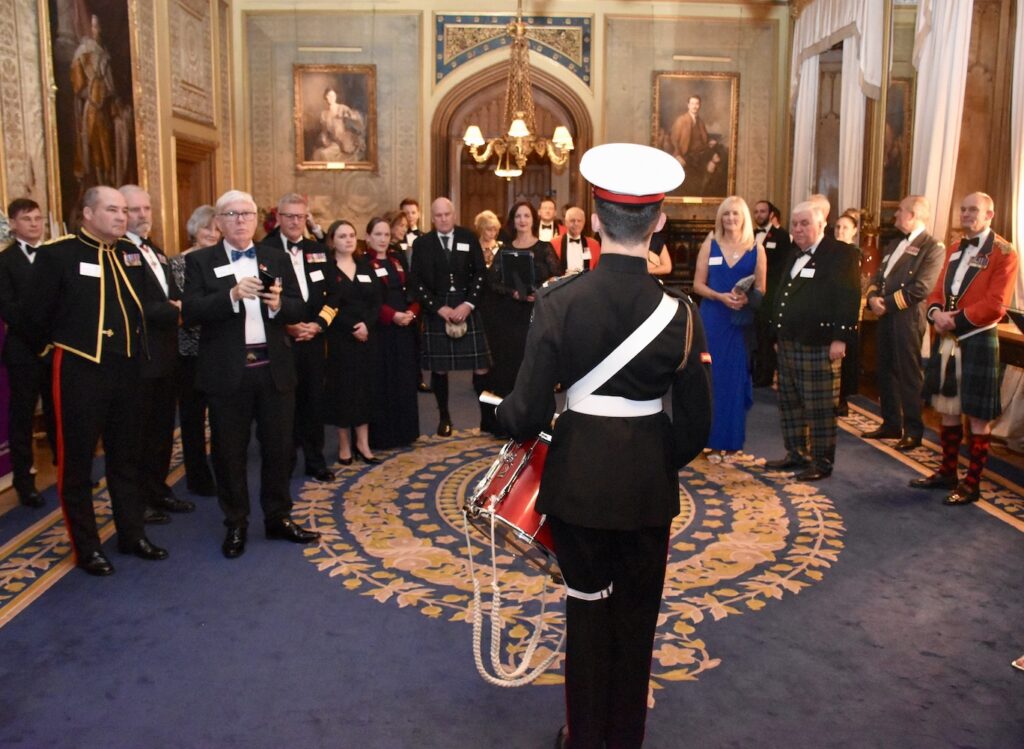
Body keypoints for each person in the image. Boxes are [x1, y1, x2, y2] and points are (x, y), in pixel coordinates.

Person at [496, 142, 711, 748]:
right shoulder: (681, 311)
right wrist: (651, 455)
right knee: (637, 621)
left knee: (588, 613)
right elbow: (696, 426)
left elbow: (526, 413)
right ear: (659, 222)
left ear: (593, 219)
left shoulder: (559, 301)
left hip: (579, 484)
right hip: (647, 487)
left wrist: (501, 416)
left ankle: (585, 737)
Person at [21, 186, 168, 575]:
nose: (123, 217)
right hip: (80, 370)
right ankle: (86, 547)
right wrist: (52, 350)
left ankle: (131, 533)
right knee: (77, 464)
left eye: (125, 211)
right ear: (87, 213)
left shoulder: (129, 253)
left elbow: (146, 308)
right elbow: (32, 315)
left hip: (128, 371)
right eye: (113, 210)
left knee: (126, 457)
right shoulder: (59, 254)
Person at [182, 189, 320, 559]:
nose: (241, 220)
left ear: (257, 220)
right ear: (219, 221)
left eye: (247, 214)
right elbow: (192, 312)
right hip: (228, 373)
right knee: (230, 453)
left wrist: (279, 306)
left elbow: (298, 306)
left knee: (278, 449)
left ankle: (277, 518)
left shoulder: (275, 257)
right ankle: (236, 523)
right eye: (232, 214)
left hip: (274, 370)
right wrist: (229, 296)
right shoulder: (201, 261)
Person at [911, 192, 1018, 505]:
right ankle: (947, 472)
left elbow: (996, 305)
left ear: (989, 215)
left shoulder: (1003, 252)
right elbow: (936, 290)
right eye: (964, 209)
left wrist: (954, 320)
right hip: (947, 337)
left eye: (974, 210)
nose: (967, 214)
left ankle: (972, 484)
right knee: (948, 409)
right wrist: (935, 314)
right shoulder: (956, 247)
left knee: (978, 416)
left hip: (978, 339)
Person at [766, 200, 860, 481]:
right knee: (790, 403)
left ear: (821, 225)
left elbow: (849, 297)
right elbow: (781, 295)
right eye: (795, 223)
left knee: (819, 407)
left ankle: (821, 461)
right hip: (789, 342)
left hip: (820, 343)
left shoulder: (840, 253)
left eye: (805, 223)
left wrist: (840, 338)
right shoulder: (794, 254)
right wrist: (776, 334)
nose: (798, 228)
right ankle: (796, 453)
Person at [121, 184, 194, 524]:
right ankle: (137, 500)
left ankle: (158, 489)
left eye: (146, 209)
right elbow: (134, 304)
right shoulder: (118, 252)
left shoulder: (155, 249)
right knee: (137, 434)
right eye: (135, 210)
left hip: (167, 355)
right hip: (139, 358)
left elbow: (172, 290)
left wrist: (180, 305)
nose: (142, 215)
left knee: (163, 430)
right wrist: (176, 310)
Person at [261, 192, 336, 483]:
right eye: (289, 216)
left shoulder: (318, 250)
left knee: (314, 402)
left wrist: (318, 325)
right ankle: (285, 460)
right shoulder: (263, 250)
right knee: (284, 406)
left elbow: (335, 296)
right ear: (278, 218)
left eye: (300, 216)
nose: (295, 222)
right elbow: (260, 300)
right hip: (283, 342)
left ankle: (315, 460)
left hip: (314, 340)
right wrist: (288, 327)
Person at [862, 196, 945, 450]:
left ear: (914, 215)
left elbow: (921, 288)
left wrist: (885, 302)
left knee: (908, 373)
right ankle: (890, 423)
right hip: (887, 315)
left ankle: (913, 430)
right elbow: (878, 276)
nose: (895, 215)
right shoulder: (894, 244)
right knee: (885, 368)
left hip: (907, 317)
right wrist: (873, 297)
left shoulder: (933, 247)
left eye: (900, 210)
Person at [408, 197, 490, 436]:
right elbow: (417, 282)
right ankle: (444, 417)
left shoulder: (468, 237)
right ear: (432, 218)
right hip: (438, 309)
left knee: (481, 366)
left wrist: (469, 303)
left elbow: (480, 274)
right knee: (440, 368)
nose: (443, 219)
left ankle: (486, 418)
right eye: (438, 215)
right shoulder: (423, 244)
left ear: (454, 215)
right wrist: (438, 308)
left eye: (447, 214)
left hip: (467, 305)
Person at [692, 196, 767, 459]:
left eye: (735, 214)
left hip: (738, 323)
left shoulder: (756, 248)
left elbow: (761, 289)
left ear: (744, 217)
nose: (730, 219)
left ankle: (732, 440)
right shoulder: (709, 245)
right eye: (726, 214)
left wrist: (747, 299)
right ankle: (709, 439)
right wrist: (720, 297)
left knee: (734, 381)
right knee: (711, 379)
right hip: (713, 318)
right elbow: (697, 285)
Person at [0, 198, 55, 508]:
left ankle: (69, 471)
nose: (35, 224)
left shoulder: (55, 256)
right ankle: (25, 482)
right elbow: (9, 308)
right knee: (21, 417)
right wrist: (39, 339)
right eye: (27, 219)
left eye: (38, 218)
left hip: (57, 348)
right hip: (24, 350)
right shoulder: (4, 262)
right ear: (13, 224)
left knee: (59, 412)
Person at [169, 205, 219, 497]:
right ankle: (197, 474)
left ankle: (222, 466)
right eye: (206, 228)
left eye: (216, 229)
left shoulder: (224, 261)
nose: (212, 234)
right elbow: (178, 307)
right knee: (192, 416)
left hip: (220, 347)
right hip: (188, 350)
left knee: (223, 415)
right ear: (194, 231)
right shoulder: (176, 264)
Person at [323, 220, 382, 464]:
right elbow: (327, 304)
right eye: (342, 236)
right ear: (332, 241)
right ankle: (345, 445)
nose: (348, 240)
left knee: (365, 389)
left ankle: (363, 443)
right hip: (340, 338)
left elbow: (376, 301)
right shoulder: (327, 269)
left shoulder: (366, 266)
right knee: (342, 390)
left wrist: (366, 324)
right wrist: (351, 327)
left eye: (351, 235)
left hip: (367, 337)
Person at [366, 216, 420, 450]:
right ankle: (384, 436)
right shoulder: (363, 264)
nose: (382, 239)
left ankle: (405, 433)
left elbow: (412, 291)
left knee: (404, 379)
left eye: (386, 235)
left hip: (404, 328)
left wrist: (411, 313)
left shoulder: (397, 260)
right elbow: (368, 302)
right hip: (381, 330)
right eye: (377, 234)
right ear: (368, 237)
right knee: (383, 379)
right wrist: (393, 316)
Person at [751, 199, 792, 387]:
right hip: (751, 290)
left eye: (762, 211)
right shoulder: (750, 235)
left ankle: (766, 375)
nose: (759, 214)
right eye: (756, 212)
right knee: (754, 334)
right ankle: (754, 372)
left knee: (767, 335)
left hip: (771, 292)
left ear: (771, 214)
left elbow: (782, 267)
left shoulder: (781, 236)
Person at [473, 209, 506, 435]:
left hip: (502, 309)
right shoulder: (473, 249)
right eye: (487, 229)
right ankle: (484, 416)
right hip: (478, 308)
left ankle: (498, 416)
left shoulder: (503, 249)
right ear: (480, 229)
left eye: (494, 229)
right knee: (481, 363)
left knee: (499, 361)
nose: (491, 232)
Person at [667, 95, 722, 196]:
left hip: (700, 154)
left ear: (699, 106)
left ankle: (706, 191)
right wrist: (678, 155)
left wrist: (710, 142)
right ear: (688, 105)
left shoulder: (700, 122)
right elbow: (673, 139)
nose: (695, 106)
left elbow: (704, 139)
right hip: (686, 155)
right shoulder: (681, 120)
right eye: (692, 103)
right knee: (691, 180)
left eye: (697, 104)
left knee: (717, 159)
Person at [311, 87, 366, 163]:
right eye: (329, 96)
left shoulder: (342, 108)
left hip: (345, 142)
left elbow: (357, 119)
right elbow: (324, 132)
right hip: (334, 142)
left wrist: (347, 116)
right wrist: (324, 139)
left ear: (336, 97)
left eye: (333, 96)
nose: (331, 98)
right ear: (325, 97)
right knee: (319, 154)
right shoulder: (324, 114)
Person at [551, 206, 601, 275]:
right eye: (572, 220)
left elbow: (598, 270)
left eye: (579, 221)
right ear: (566, 222)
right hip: (563, 284)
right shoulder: (553, 243)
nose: (576, 223)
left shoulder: (594, 244)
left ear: (584, 223)